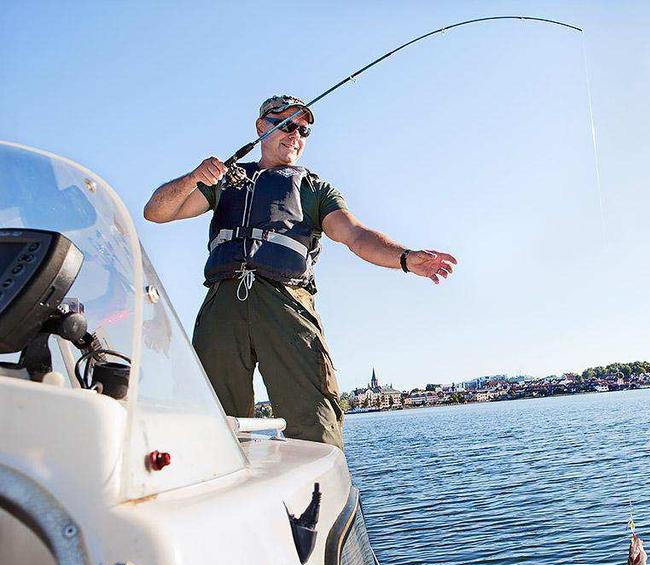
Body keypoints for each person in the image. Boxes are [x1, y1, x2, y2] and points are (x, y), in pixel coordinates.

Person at [143, 94, 456, 448]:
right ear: (262, 127)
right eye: (286, 125)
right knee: (212, 421)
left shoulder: (315, 190)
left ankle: (320, 495)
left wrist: (405, 258)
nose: (296, 135)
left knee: (314, 417)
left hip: (286, 304)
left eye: (304, 130)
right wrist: (193, 178)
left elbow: (354, 235)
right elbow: (156, 211)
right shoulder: (225, 181)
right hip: (221, 306)